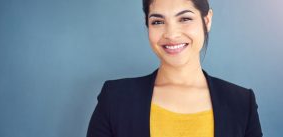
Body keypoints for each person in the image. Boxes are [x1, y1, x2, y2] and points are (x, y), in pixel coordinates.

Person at [87, 0, 263, 136]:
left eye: (185, 18)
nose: (171, 34)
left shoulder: (242, 103)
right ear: (146, 23)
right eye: (157, 22)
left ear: (207, 20)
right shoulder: (115, 98)